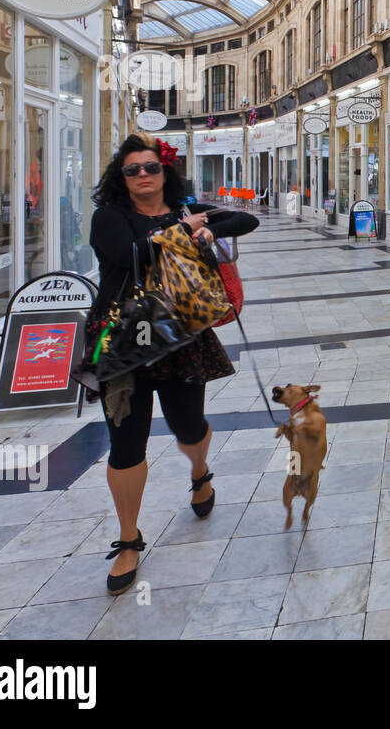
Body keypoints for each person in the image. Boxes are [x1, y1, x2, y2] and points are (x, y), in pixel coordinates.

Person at [87, 132, 259, 596]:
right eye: (132, 170)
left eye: (151, 167)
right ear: (120, 178)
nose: (143, 175)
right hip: (126, 340)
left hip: (182, 336)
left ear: (165, 171)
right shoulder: (109, 216)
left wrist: (208, 228)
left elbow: (246, 218)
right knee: (126, 441)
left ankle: (199, 472)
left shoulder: (185, 207)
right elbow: (125, 255)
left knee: (188, 425)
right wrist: (181, 232)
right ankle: (128, 540)